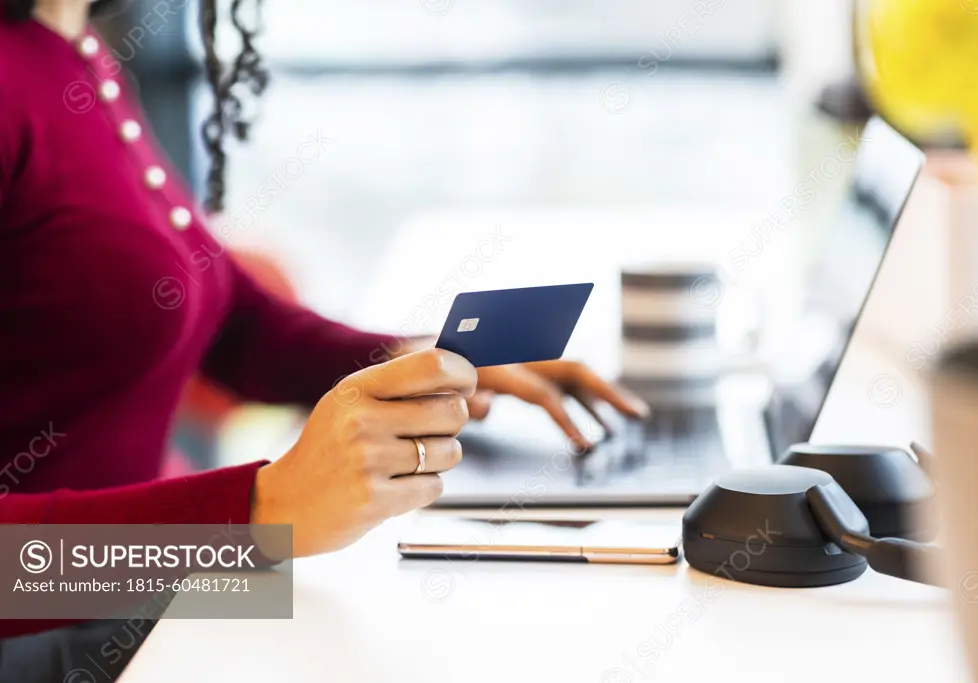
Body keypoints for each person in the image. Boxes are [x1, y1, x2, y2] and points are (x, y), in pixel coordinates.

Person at [0, 0, 650, 677]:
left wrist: (413, 361)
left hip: (125, 587)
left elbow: (231, 322)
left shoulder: (73, 45)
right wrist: (257, 510)